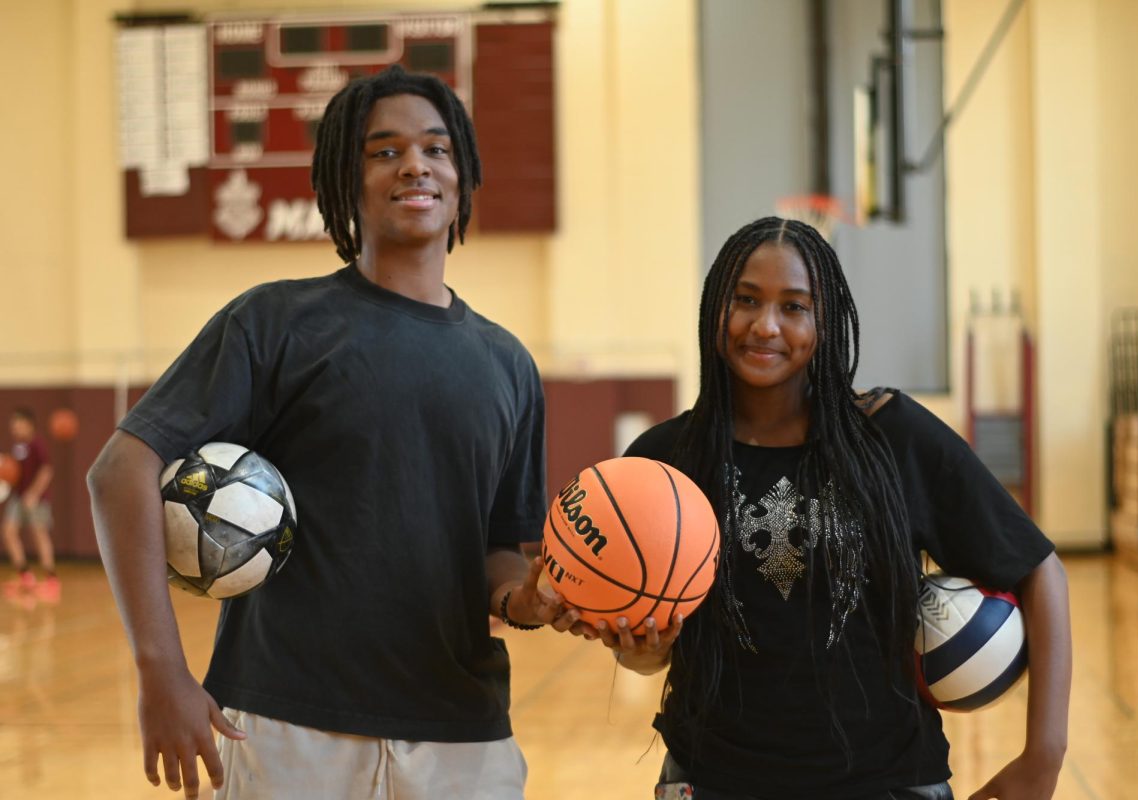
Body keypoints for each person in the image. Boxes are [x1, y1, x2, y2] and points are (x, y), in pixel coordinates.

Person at [88, 65, 579, 800]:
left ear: (463, 175)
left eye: (437, 149)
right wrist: (161, 673)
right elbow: (119, 469)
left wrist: (527, 601)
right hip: (287, 730)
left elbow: (496, 556)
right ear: (346, 182)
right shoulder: (276, 323)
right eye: (384, 151)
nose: (415, 164)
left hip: (462, 735)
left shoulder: (508, 363)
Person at [601, 217, 1070, 800]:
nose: (766, 326)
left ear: (826, 324)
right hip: (714, 780)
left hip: (887, 782)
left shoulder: (891, 437)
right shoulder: (663, 462)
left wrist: (1043, 757)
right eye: (746, 300)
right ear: (714, 307)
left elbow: (1037, 566)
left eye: (794, 307)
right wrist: (642, 651)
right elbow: (646, 654)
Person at [3, 408, 58, 599]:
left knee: (39, 533)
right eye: (13, 425)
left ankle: (51, 578)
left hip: (36, 498)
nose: (15, 428)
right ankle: (25, 575)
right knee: (9, 531)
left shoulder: (37, 444)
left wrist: (34, 493)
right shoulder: (17, 447)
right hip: (18, 496)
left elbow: (46, 470)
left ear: (29, 424)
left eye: (18, 424)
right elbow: (13, 472)